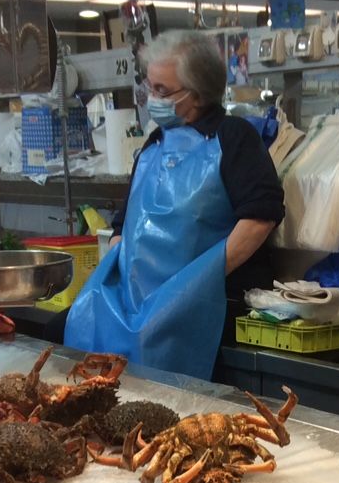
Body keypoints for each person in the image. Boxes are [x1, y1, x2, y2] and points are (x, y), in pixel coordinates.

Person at [64, 31, 284, 380]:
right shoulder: (153, 145)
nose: (152, 98)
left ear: (196, 95)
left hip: (205, 307)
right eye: (149, 88)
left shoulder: (234, 138)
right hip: (138, 304)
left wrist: (192, 286)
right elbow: (124, 226)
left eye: (162, 91)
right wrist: (120, 289)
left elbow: (260, 217)